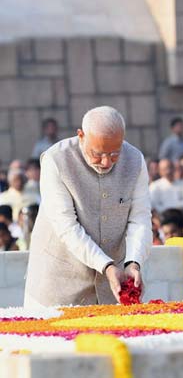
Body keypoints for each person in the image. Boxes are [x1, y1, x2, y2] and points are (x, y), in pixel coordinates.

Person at [24, 106, 152, 307]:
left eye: (114, 154)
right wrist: (107, 266)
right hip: (58, 286)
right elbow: (67, 227)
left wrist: (134, 262)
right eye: (98, 153)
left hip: (113, 287)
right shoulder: (55, 160)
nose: (106, 162)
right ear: (81, 135)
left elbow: (140, 218)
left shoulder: (135, 160)